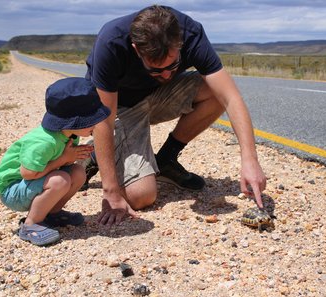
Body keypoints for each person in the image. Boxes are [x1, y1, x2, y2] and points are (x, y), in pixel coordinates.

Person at [84, 5, 267, 226]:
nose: (166, 74)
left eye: (173, 65)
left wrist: (250, 160)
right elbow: (104, 118)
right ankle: (96, 154)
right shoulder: (111, 42)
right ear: (136, 49)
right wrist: (110, 190)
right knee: (141, 196)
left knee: (215, 92)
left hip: (159, 97)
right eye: (155, 70)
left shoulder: (190, 33)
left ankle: (166, 160)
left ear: (179, 43)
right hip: (119, 106)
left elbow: (231, 98)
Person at [0, 77, 110, 246]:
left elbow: (60, 166)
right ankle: (30, 224)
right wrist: (64, 158)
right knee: (60, 180)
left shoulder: (69, 134)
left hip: (31, 183)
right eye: (92, 120)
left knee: (77, 172)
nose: (97, 123)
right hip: (13, 189)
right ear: (74, 121)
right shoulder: (44, 142)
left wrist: (71, 159)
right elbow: (28, 173)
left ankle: (51, 214)